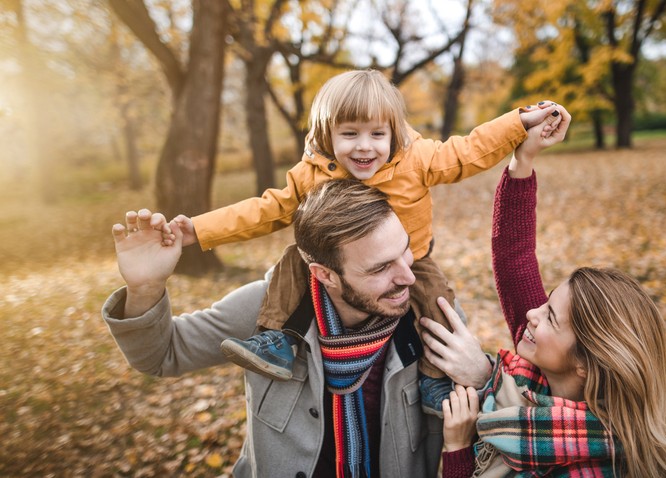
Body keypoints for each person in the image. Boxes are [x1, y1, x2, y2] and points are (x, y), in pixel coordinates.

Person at [160, 69, 562, 414]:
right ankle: (278, 338)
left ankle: (435, 378)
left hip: (414, 257)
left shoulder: (417, 159)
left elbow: (469, 149)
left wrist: (520, 123)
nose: (364, 146)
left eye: (377, 133)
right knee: (291, 262)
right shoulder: (314, 174)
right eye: (349, 134)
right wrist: (200, 229)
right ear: (327, 134)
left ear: (393, 133)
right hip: (334, 261)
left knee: (437, 303)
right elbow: (267, 210)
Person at [103, 179, 493, 478]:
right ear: (325, 275)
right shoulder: (265, 310)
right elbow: (160, 355)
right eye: (380, 268)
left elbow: (496, 425)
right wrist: (146, 288)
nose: (407, 275)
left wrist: (483, 374)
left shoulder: (431, 314)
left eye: (404, 250)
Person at [419, 116, 666, 477]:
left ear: (585, 362)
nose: (532, 313)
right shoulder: (545, 370)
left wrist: (457, 448)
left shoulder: (581, 467)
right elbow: (515, 259)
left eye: (550, 316)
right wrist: (524, 158)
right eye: (547, 301)